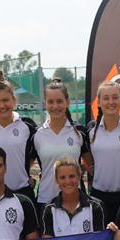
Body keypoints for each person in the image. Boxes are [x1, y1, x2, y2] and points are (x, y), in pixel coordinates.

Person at [0, 70, 38, 206]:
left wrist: (24, 172)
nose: (2, 106)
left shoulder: (27, 126)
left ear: (14, 100)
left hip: (22, 192)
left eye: (5, 100)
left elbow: (35, 153)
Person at [33, 78, 92, 213]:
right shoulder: (37, 134)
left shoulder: (79, 132)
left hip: (76, 201)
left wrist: (79, 171)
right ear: (45, 103)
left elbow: (90, 164)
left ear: (67, 102)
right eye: (50, 102)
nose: (55, 106)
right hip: (45, 200)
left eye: (59, 101)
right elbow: (25, 167)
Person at [87, 80, 120, 225]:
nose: (111, 102)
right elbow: (87, 158)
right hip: (98, 197)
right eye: (106, 98)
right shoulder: (91, 130)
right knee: (101, 239)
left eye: (115, 97)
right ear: (99, 102)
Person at [41, 157, 105, 238]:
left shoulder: (96, 207)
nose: (67, 182)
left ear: (79, 176)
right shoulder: (48, 210)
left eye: (72, 176)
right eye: (62, 177)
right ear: (56, 180)